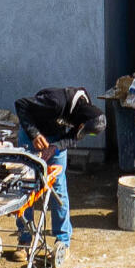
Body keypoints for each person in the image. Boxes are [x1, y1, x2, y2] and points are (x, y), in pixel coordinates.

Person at [11, 85, 102, 252]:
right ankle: (24, 239)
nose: (79, 132)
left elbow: (73, 136)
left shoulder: (85, 110)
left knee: (58, 188)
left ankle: (63, 241)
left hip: (56, 140)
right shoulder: (55, 102)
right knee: (26, 185)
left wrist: (55, 147)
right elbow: (20, 104)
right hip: (31, 136)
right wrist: (34, 134)